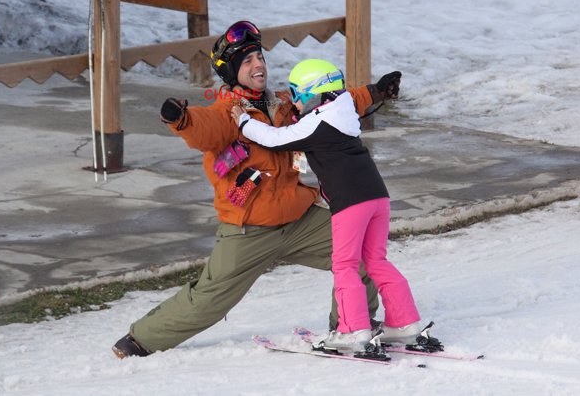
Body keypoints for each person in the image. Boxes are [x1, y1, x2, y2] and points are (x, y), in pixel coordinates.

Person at [112, 21, 399, 358]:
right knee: (210, 297)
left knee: (360, 257)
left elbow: (332, 103)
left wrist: (375, 91)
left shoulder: (283, 105)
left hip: (298, 219)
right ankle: (140, 339)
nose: (258, 64)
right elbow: (202, 128)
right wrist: (181, 119)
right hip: (248, 229)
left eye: (259, 57)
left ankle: (352, 327)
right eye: (247, 62)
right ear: (233, 72)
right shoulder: (226, 115)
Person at [230, 58, 421, 355]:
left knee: (344, 265)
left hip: (350, 204)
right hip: (378, 197)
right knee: (376, 262)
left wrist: (244, 121)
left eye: (296, 93)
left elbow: (274, 138)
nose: (294, 102)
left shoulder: (317, 123)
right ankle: (405, 323)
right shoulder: (342, 111)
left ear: (310, 92)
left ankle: (352, 329)